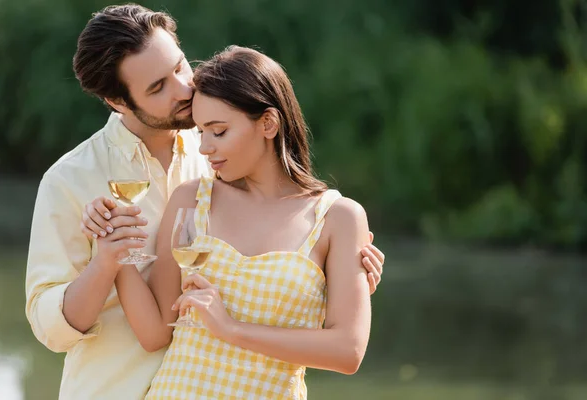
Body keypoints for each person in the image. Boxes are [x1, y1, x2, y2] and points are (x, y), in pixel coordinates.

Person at [24, 5, 385, 400]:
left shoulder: (218, 153)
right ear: (117, 101)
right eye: (158, 87)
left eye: (180, 68)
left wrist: (337, 281)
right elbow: (50, 323)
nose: (182, 89)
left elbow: (291, 264)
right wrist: (106, 259)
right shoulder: (72, 179)